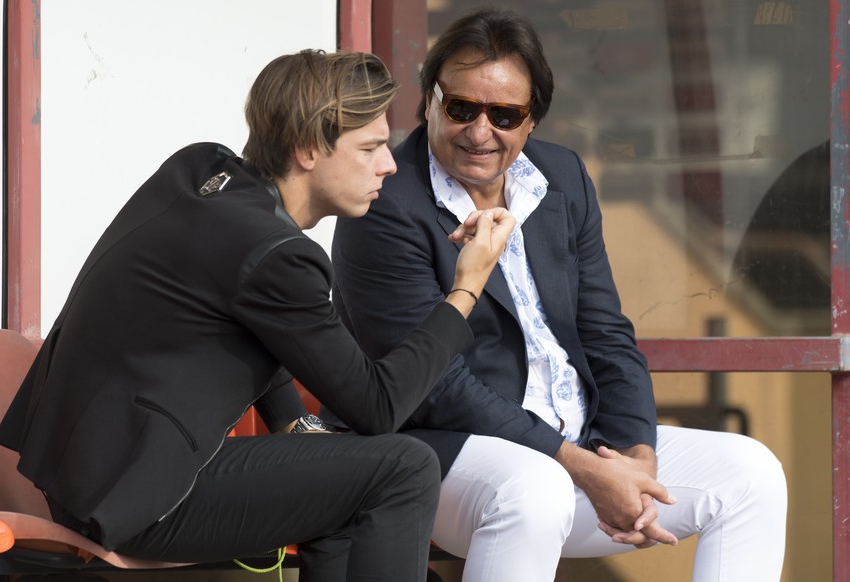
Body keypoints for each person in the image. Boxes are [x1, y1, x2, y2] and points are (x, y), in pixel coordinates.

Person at [0, 49, 515, 582]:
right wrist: (465, 289)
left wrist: (294, 421)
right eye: (370, 147)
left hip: (83, 476)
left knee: (343, 480)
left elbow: (245, 315)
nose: (388, 163)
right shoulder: (277, 255)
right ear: (308, 150)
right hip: (142, 495)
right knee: (404, 467)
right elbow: (378, 407)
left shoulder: (200, 170)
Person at [329, 8, 788, 582]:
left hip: (578, 443)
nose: (479, 131)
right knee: (535, 488)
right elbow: (433, 386)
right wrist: (579, 467)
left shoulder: (562, 178)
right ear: (430, 100)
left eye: (504, 114)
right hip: (439, 456)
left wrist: (633, 458)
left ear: (532, 120)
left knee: (751, 472)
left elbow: (605, 331)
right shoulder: (385, 203)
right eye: (461, 107)